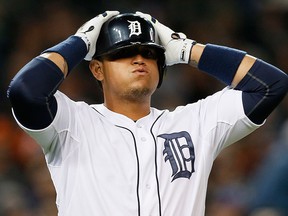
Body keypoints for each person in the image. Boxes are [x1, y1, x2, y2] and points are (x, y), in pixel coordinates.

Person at [7, 10, 288, 216]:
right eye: (123, 53)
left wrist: (188, 49)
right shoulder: (73, 123)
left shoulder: (195, 122)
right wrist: (80, 43)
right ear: (97, 69)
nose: (139, 58)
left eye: (149, 52)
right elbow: (25, 91)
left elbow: (270, 85)